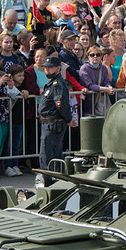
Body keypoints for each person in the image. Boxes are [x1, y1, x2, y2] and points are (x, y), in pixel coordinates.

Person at [36, 55, 75, 185]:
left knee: (47, 156)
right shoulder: (52, 84)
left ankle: (49, 184)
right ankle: (55, 182)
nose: (47, 70)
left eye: (50, 67)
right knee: (53, 155)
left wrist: (68, 119)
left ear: (58, 68)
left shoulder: (57, 84)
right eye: (45, 68)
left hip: (53, 124)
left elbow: (61, 105)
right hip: (48, 123)